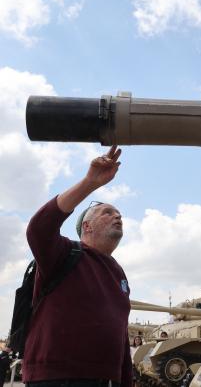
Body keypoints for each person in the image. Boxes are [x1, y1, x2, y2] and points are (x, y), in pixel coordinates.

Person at [23, 145, 132, 386]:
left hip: (104, 380)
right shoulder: (64, 253)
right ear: (87, 227)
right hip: (58, 379)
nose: (117, 216)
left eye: (119, 214)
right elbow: (39, 227)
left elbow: (121, 336)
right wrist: (90, 182)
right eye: (107, 212)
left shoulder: (118, 273)